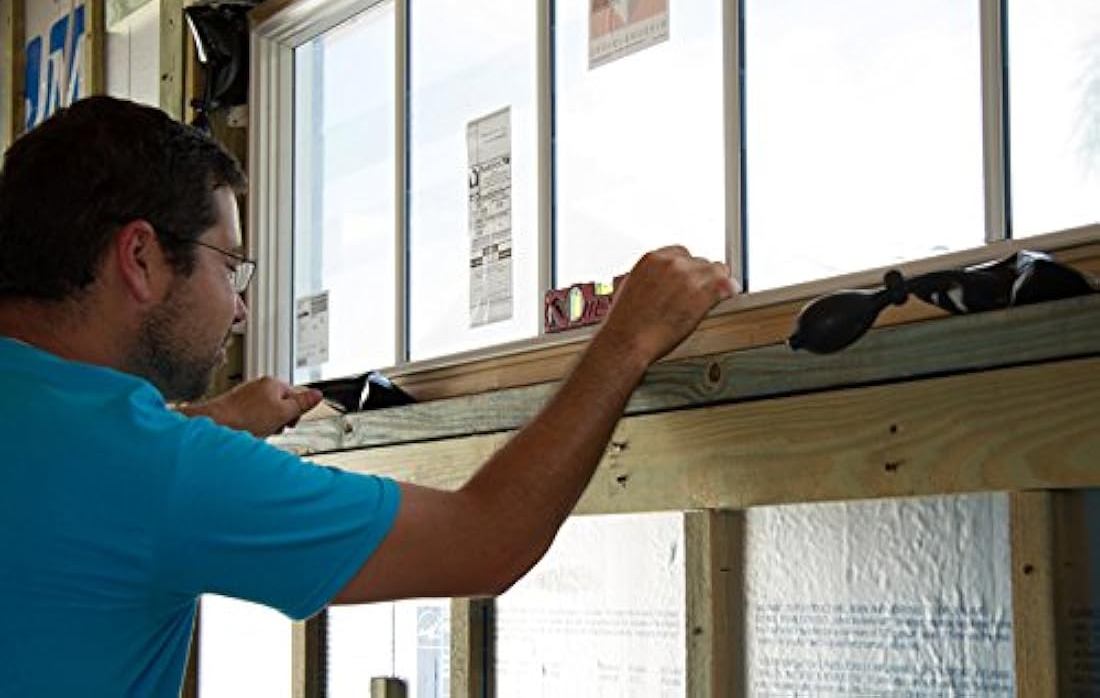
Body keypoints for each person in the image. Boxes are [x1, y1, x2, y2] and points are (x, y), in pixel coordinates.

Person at [0, 96, 735, 694]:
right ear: (140, 257)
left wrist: (210, 418)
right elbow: (486, 541)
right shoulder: (157, 470)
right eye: (232, 265)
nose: (240, 307)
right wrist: (626, 341)